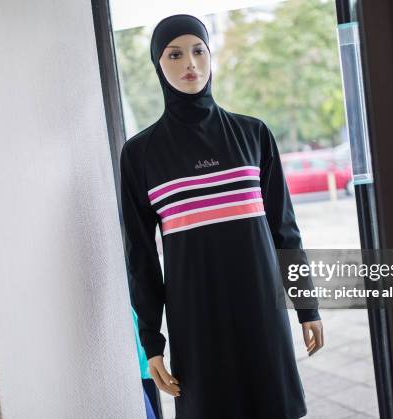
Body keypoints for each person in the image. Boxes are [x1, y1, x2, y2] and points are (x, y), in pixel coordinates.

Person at [120, 13, 324, 419]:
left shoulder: (253, 134)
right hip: (196, 322)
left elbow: (285, 231)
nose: (189, 64)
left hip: (262, 310)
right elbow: (141, 259)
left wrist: (307, 307)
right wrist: (152, 344)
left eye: (198, 51)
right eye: (174, 54)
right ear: (158, 65)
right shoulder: (140, 154)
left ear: (211, 56)